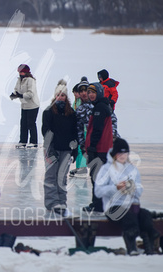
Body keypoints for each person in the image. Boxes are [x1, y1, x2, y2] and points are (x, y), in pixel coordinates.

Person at [95, 138, 160, 255]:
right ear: (114, 154)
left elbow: (139, 191)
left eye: (125, 153)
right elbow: (98, 191)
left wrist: (132, 189)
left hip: (131, 207)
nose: (123, 156)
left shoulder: (132, 169)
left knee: (145, 216)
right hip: (113, 207)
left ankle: (150, 249)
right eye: (120, 153)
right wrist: (116, 188)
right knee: (129, 219)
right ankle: (132, 249)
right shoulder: (106, 169)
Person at [41, 79, 78, 215]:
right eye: (58, 95)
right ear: (55, 96)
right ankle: (52, 202)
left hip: (66, 150)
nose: (60, 97)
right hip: (52, 149)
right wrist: (50, 150)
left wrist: (74, 150)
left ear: (66, 96)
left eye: (62, 95)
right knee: (51, 176)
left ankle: (61, 202)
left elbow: (74, 132)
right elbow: (46, 131)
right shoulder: (49, 112)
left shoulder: (71, 113)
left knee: (62, 177)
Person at [83, 82, 114, 213]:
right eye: (89, 92)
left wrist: (92, 147)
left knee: (97, 177)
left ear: (99, 93)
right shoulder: (101, 105)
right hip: (102, 149)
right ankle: (98, 203)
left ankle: (98, 205)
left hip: (100, 149)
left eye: (93, 92)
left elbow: (97, 129)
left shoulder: (99, 108)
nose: (90, 95)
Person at [10, 64, 40, 148]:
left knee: (31, 123)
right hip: (24, 105)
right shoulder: (19, 80)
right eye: (19, 72)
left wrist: (21, 95)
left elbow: (31, 93)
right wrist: (14, 95)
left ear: (26, 72)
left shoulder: (30, 80)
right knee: (23, 123)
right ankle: (23, 141)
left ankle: (34, 142)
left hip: (33, 105)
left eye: (22, 72)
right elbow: (16, 90)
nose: (20, 73)